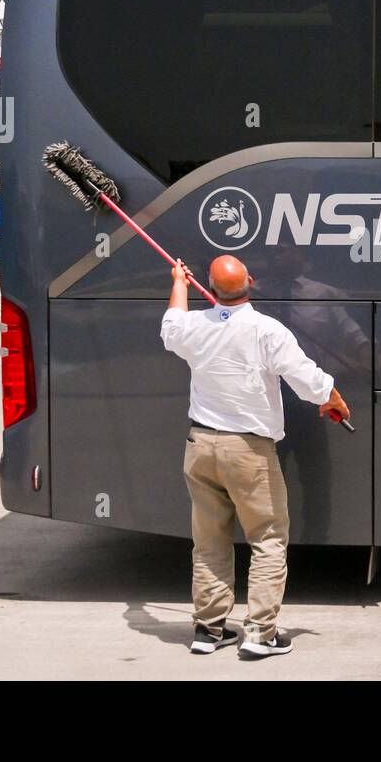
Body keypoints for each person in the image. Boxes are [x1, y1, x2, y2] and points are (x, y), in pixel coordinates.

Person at [160, 254, 351, 659]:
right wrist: (331, 398)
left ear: (210, 289)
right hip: (248, 451)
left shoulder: (195, 327)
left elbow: (171, 327)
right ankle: (261, 633)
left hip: (201, 447)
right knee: (266, 538)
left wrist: (178, 282)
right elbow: (305, 375)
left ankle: (209, 630)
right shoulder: (267, 330)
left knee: (209, 540)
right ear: (251, 280)